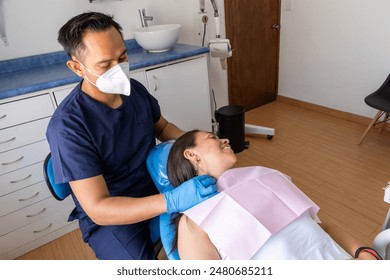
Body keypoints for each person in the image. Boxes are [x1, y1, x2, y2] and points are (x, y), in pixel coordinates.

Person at [46, 12, 217, 260]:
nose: (119, 69)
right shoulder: (68, 126)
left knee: (214, 223)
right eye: (105, 65)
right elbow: (98, 208)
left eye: (123, 57)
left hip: (153, 183)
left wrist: (198, 144)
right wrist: (171, 201)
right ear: (76, 67)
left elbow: (164, 127)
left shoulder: (133, 90)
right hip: (111, 214)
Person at [165, 130, 381, 260]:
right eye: (212, 137)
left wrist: (362, 252)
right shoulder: (193, 223)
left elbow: (322, 227)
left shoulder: (264, 178)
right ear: (192, 154)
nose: (225, 139)